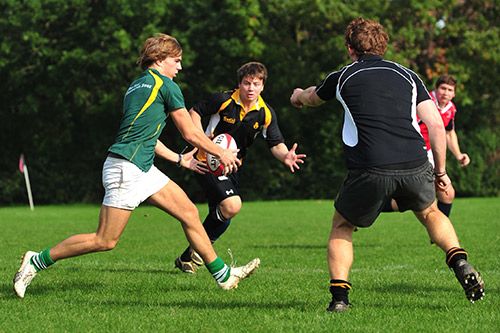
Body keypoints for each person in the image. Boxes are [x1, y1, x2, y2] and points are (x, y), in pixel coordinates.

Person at [13, 33, 260, 298]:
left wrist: (179, 159)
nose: (180, 67)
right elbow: (190, 133)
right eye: (176, 61)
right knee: (105, 240)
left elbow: (147, 138)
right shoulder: (166, 86)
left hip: (139, 167)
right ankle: (36, 260)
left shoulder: (136, 86)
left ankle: (224, 276)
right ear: (158, 59)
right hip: (126, 169)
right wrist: (220, 152)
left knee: (188, 212)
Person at [290, 18, 484, 312]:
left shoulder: (342, 76)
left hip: (369, 167)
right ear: (384, 45)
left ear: (349, 48)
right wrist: (440, 172)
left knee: (343, 225)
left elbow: (312, 97)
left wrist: (297, 97)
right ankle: (459, 260)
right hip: (416, 163)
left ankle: (340, 299)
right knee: (431, 213)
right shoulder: (409, 75)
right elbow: (434, 124)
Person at [174, 62, 306, 274]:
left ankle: (188, 256)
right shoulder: (223, 100)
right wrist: (202, 141)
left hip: (233, 167)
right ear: (239, 84)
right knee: (231, 206)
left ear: (262, 86)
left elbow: (275, 143)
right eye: (246, 83)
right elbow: (195, 112)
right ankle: (200, 251)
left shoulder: (265, 113)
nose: (250, 88)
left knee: (222, 217)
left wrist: (286, 156)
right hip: (207, 162)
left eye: (255, 84)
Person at [382, 74, 470, 217]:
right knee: (416, 198)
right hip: (413, 153)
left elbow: (449, 133)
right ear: (435, 89)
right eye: (443, 88)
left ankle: (438, 237)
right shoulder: (424, 103)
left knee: (446, 194)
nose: (445, 93)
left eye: (449, 90)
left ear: (454, 94)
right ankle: (361, 209)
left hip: (430, 154)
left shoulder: (450, 109)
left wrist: (459, 154)